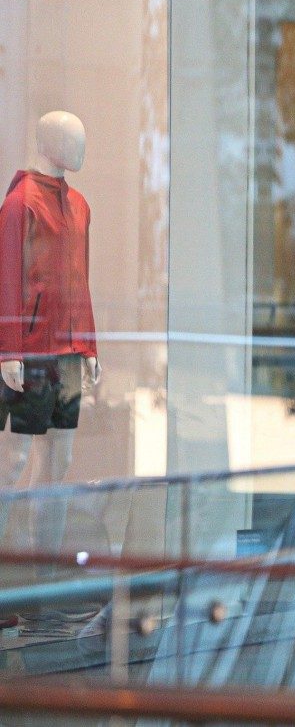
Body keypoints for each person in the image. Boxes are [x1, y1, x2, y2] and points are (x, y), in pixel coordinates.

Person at [0, 111, 101, 636]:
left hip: (66, 355)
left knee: (56, 464)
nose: (81, 148)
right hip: (30, 354)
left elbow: (81, 280)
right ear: (47, 142)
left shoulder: (78, 205)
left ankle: (46, 584)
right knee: (13, 463)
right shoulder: (21, 204)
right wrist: (8, 348)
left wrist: (89, 346)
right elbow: (8, 277)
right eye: (72, 139)